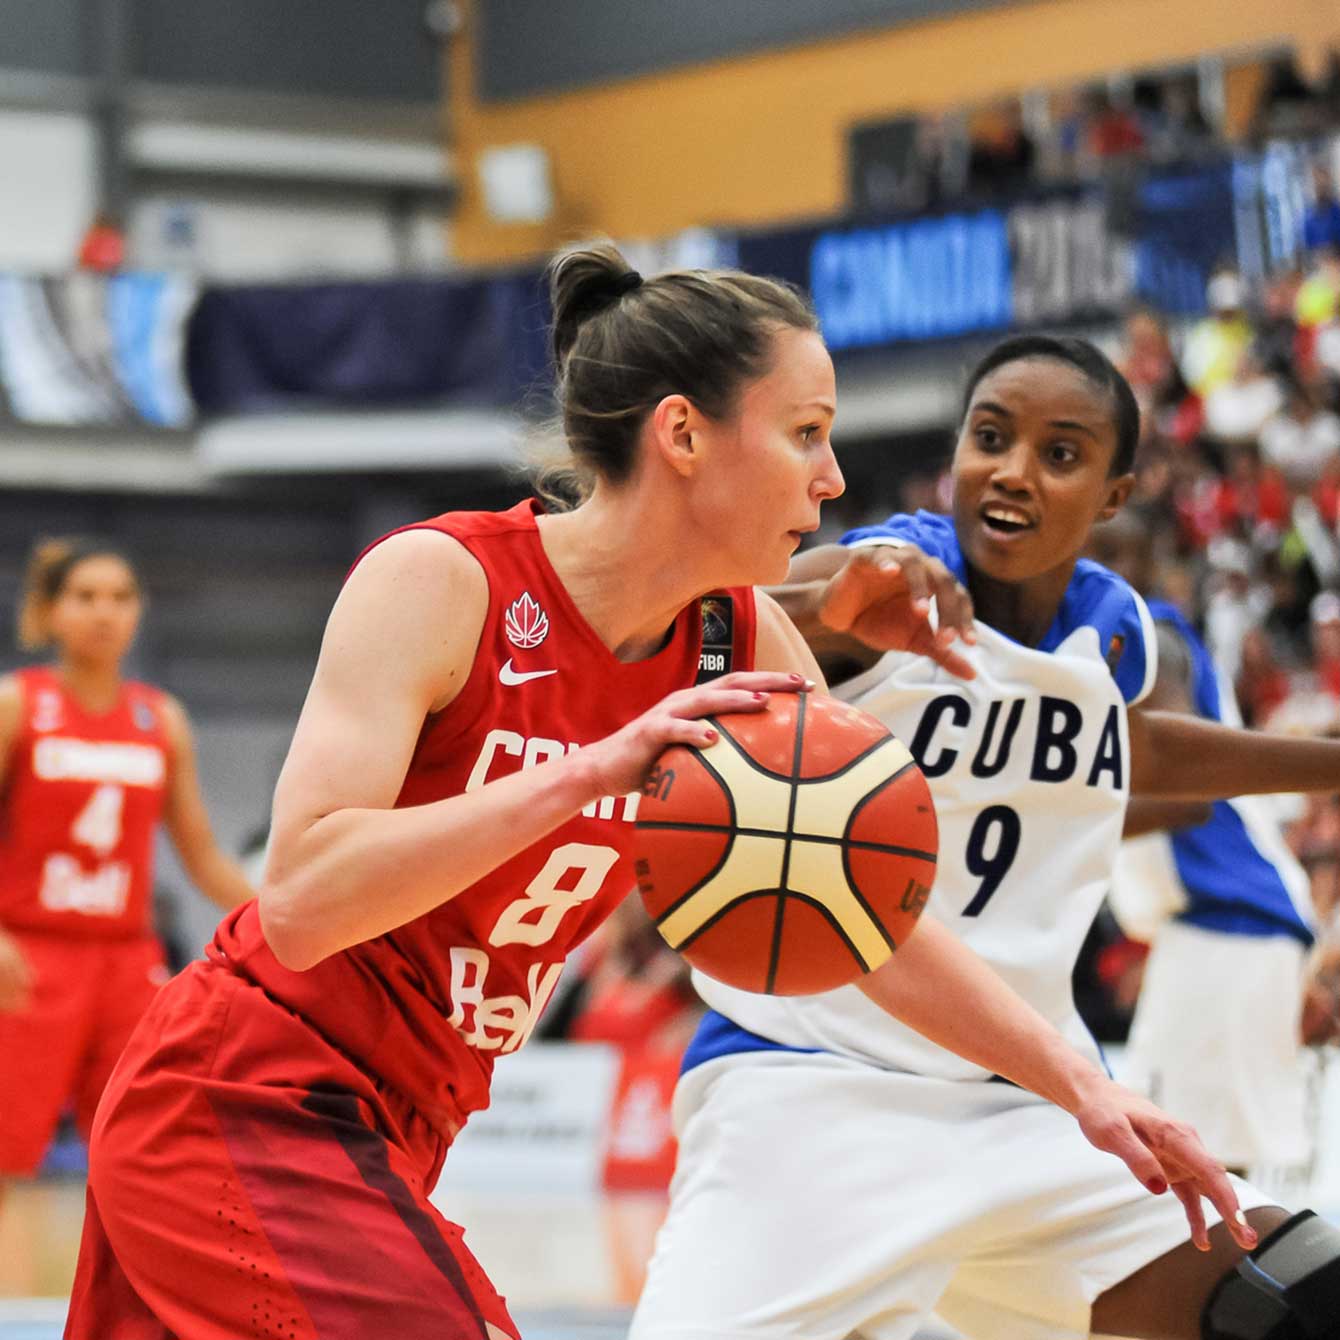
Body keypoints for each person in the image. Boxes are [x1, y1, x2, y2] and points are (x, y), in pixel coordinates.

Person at [67, 256, 1249, 1340]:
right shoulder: (440, 579)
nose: (832, 474)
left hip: (403, 1122)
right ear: (682, 432)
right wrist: (585, 771)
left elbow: (869, 926)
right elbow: (299, 900)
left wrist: (1086, 1089)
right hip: (246, 1094)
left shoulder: (741, 641)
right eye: (804, 432)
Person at [631, 335, 1340, 1340]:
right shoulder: (882, 575)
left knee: (1297, 1298)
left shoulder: (1113, 630)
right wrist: (825, 605)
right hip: (810, 1088)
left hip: (1029, 1104)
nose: (1012, 470)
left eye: (1060, 453)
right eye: (990, 438)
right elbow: (694, 627)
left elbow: (1130, 748)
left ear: (1113, 495)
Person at [0, 539, 252, 1187]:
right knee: (7, 1154)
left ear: (139, 611)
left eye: (120, 597)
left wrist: (283, 917)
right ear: (51, 611)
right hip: (28, 956)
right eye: (85, 596)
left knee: (144, 1154)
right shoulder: (18, 704)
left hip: (126, 960)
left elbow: (201, 854)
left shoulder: (159, 718)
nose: (104, 612)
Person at [1088, 514, 1317, 1180]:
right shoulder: (1092, 646)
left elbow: (1186, 796)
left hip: (1234, 922)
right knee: (1176, 1161)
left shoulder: (1147, 638)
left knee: (1192, 1164)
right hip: (1217, 928)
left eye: (1109, 552)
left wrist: (1057, 822)